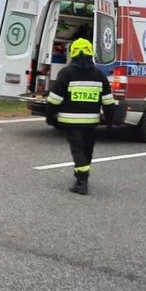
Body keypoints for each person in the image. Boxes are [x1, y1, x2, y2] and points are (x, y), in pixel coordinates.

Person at [44, 37, 116, 195]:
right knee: (87, 150)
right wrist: (110, 122)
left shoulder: (66, 73)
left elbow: (54, 100)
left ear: (73, 54)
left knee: (78, 150)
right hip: (91, 122)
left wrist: (49, 117)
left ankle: (82, 181)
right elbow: (109, 102)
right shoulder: (99, 75)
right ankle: (82, 175)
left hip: (70, 122)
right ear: (91, 54)